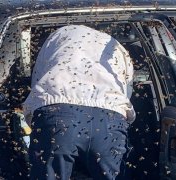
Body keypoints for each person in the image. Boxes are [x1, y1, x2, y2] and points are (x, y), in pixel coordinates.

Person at [23, 25, 135, 180]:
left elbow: (39, 83)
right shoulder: (115, 46)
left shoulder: (57, 37)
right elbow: (126, 89)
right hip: (109, 119)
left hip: (58, 116)